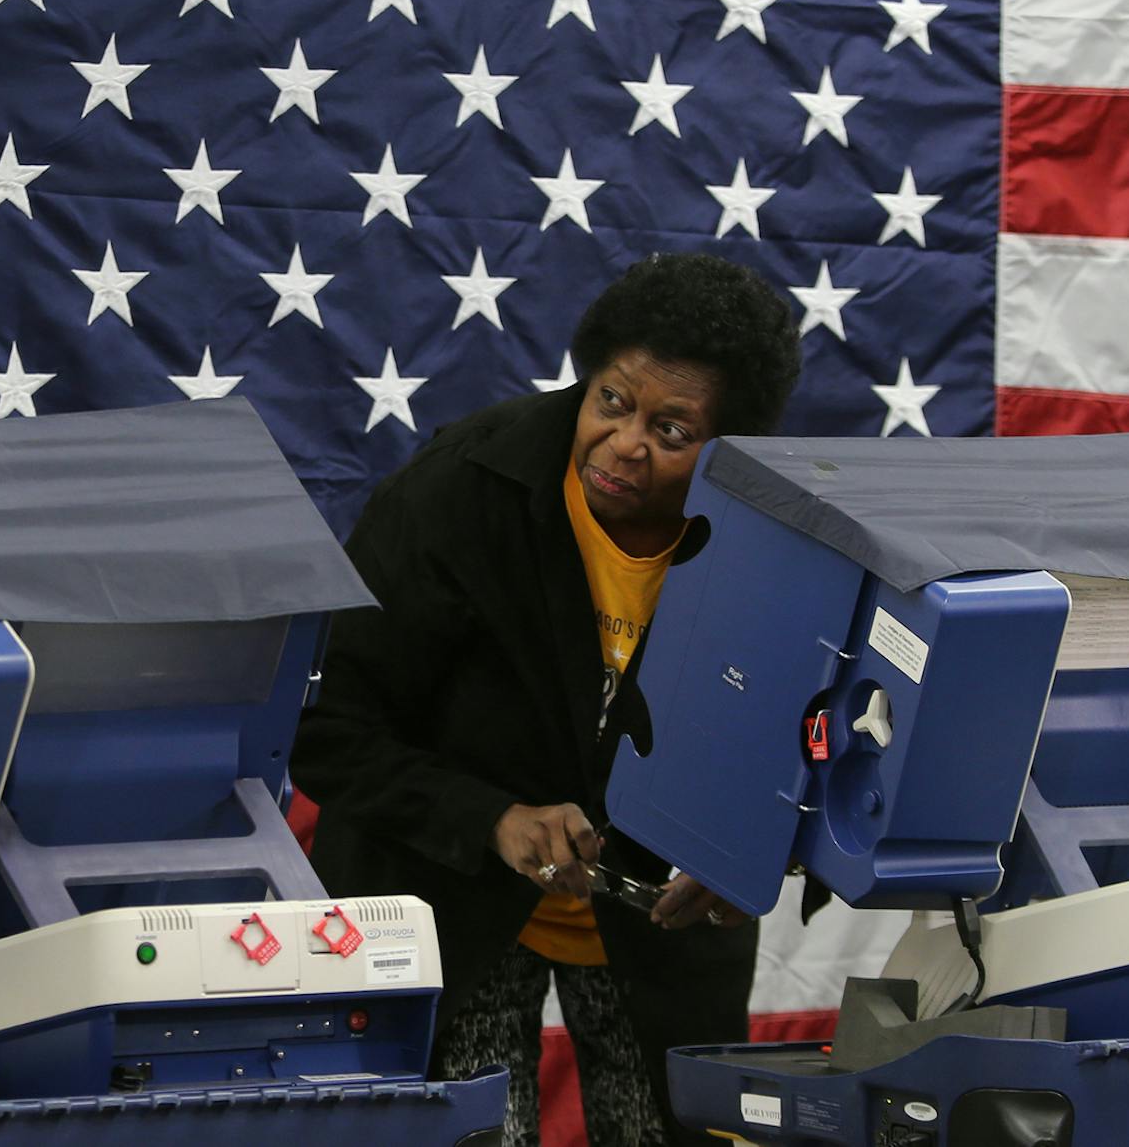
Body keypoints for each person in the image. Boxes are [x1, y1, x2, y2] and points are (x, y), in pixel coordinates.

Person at [290, 252, 802, 1146]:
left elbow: (808, 741)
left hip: (661, 917)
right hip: (449, 894)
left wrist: (754, 856)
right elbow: (331, 726)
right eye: (612, 401)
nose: (625, 442)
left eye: (672, 430)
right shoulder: (460, 491)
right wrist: (492, 817)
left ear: (724, 445)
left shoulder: (774, 538)